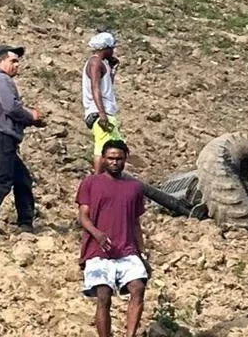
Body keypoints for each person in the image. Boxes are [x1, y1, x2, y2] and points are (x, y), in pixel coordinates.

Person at [77, 140, 148, 337]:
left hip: (127, 250)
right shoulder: (91, 183)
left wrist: (142, 253)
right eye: (110, 158)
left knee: (138, 287)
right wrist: (97, 234)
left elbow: (135, 223)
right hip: (97, 251)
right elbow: (83, 215)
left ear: (126, 159)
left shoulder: (134, 187)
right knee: (104, 295)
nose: (115, 162)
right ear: (104, 159)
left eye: (119, 158)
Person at [0, 44, 45, 234]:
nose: (17, 65)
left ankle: (26, 223)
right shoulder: (1, 79)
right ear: (1, 61)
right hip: (0, 137)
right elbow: (12, 108)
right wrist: (32, 116)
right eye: (13, 61)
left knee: (21, 179)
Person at [83, 31, 124, 174]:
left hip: (105, 111)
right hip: (99, 112)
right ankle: (97, 179)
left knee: (116, 146)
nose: (113, 51)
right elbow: (96, 88)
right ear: (104, 48)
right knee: (103, 147)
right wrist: (101, 113)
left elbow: (106, 88)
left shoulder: (103, 64)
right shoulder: (95, 62)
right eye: (111, 48)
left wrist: (112, 72)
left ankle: (106, 178)